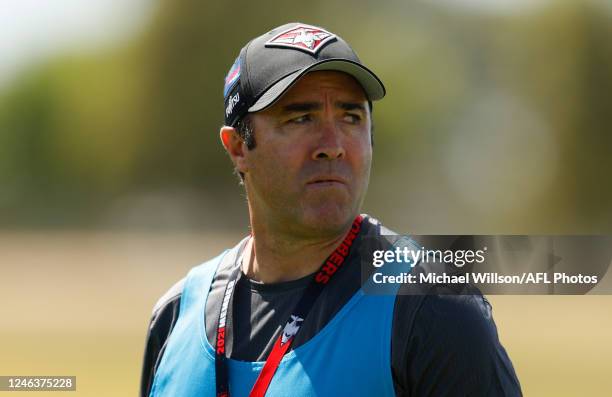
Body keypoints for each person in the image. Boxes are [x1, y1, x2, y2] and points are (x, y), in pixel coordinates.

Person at [140, 22, 522, 397]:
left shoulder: (433, 310)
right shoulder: (176, 316)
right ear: (239, 147)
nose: (332, 144)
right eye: (300, 118)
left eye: (351, 117)